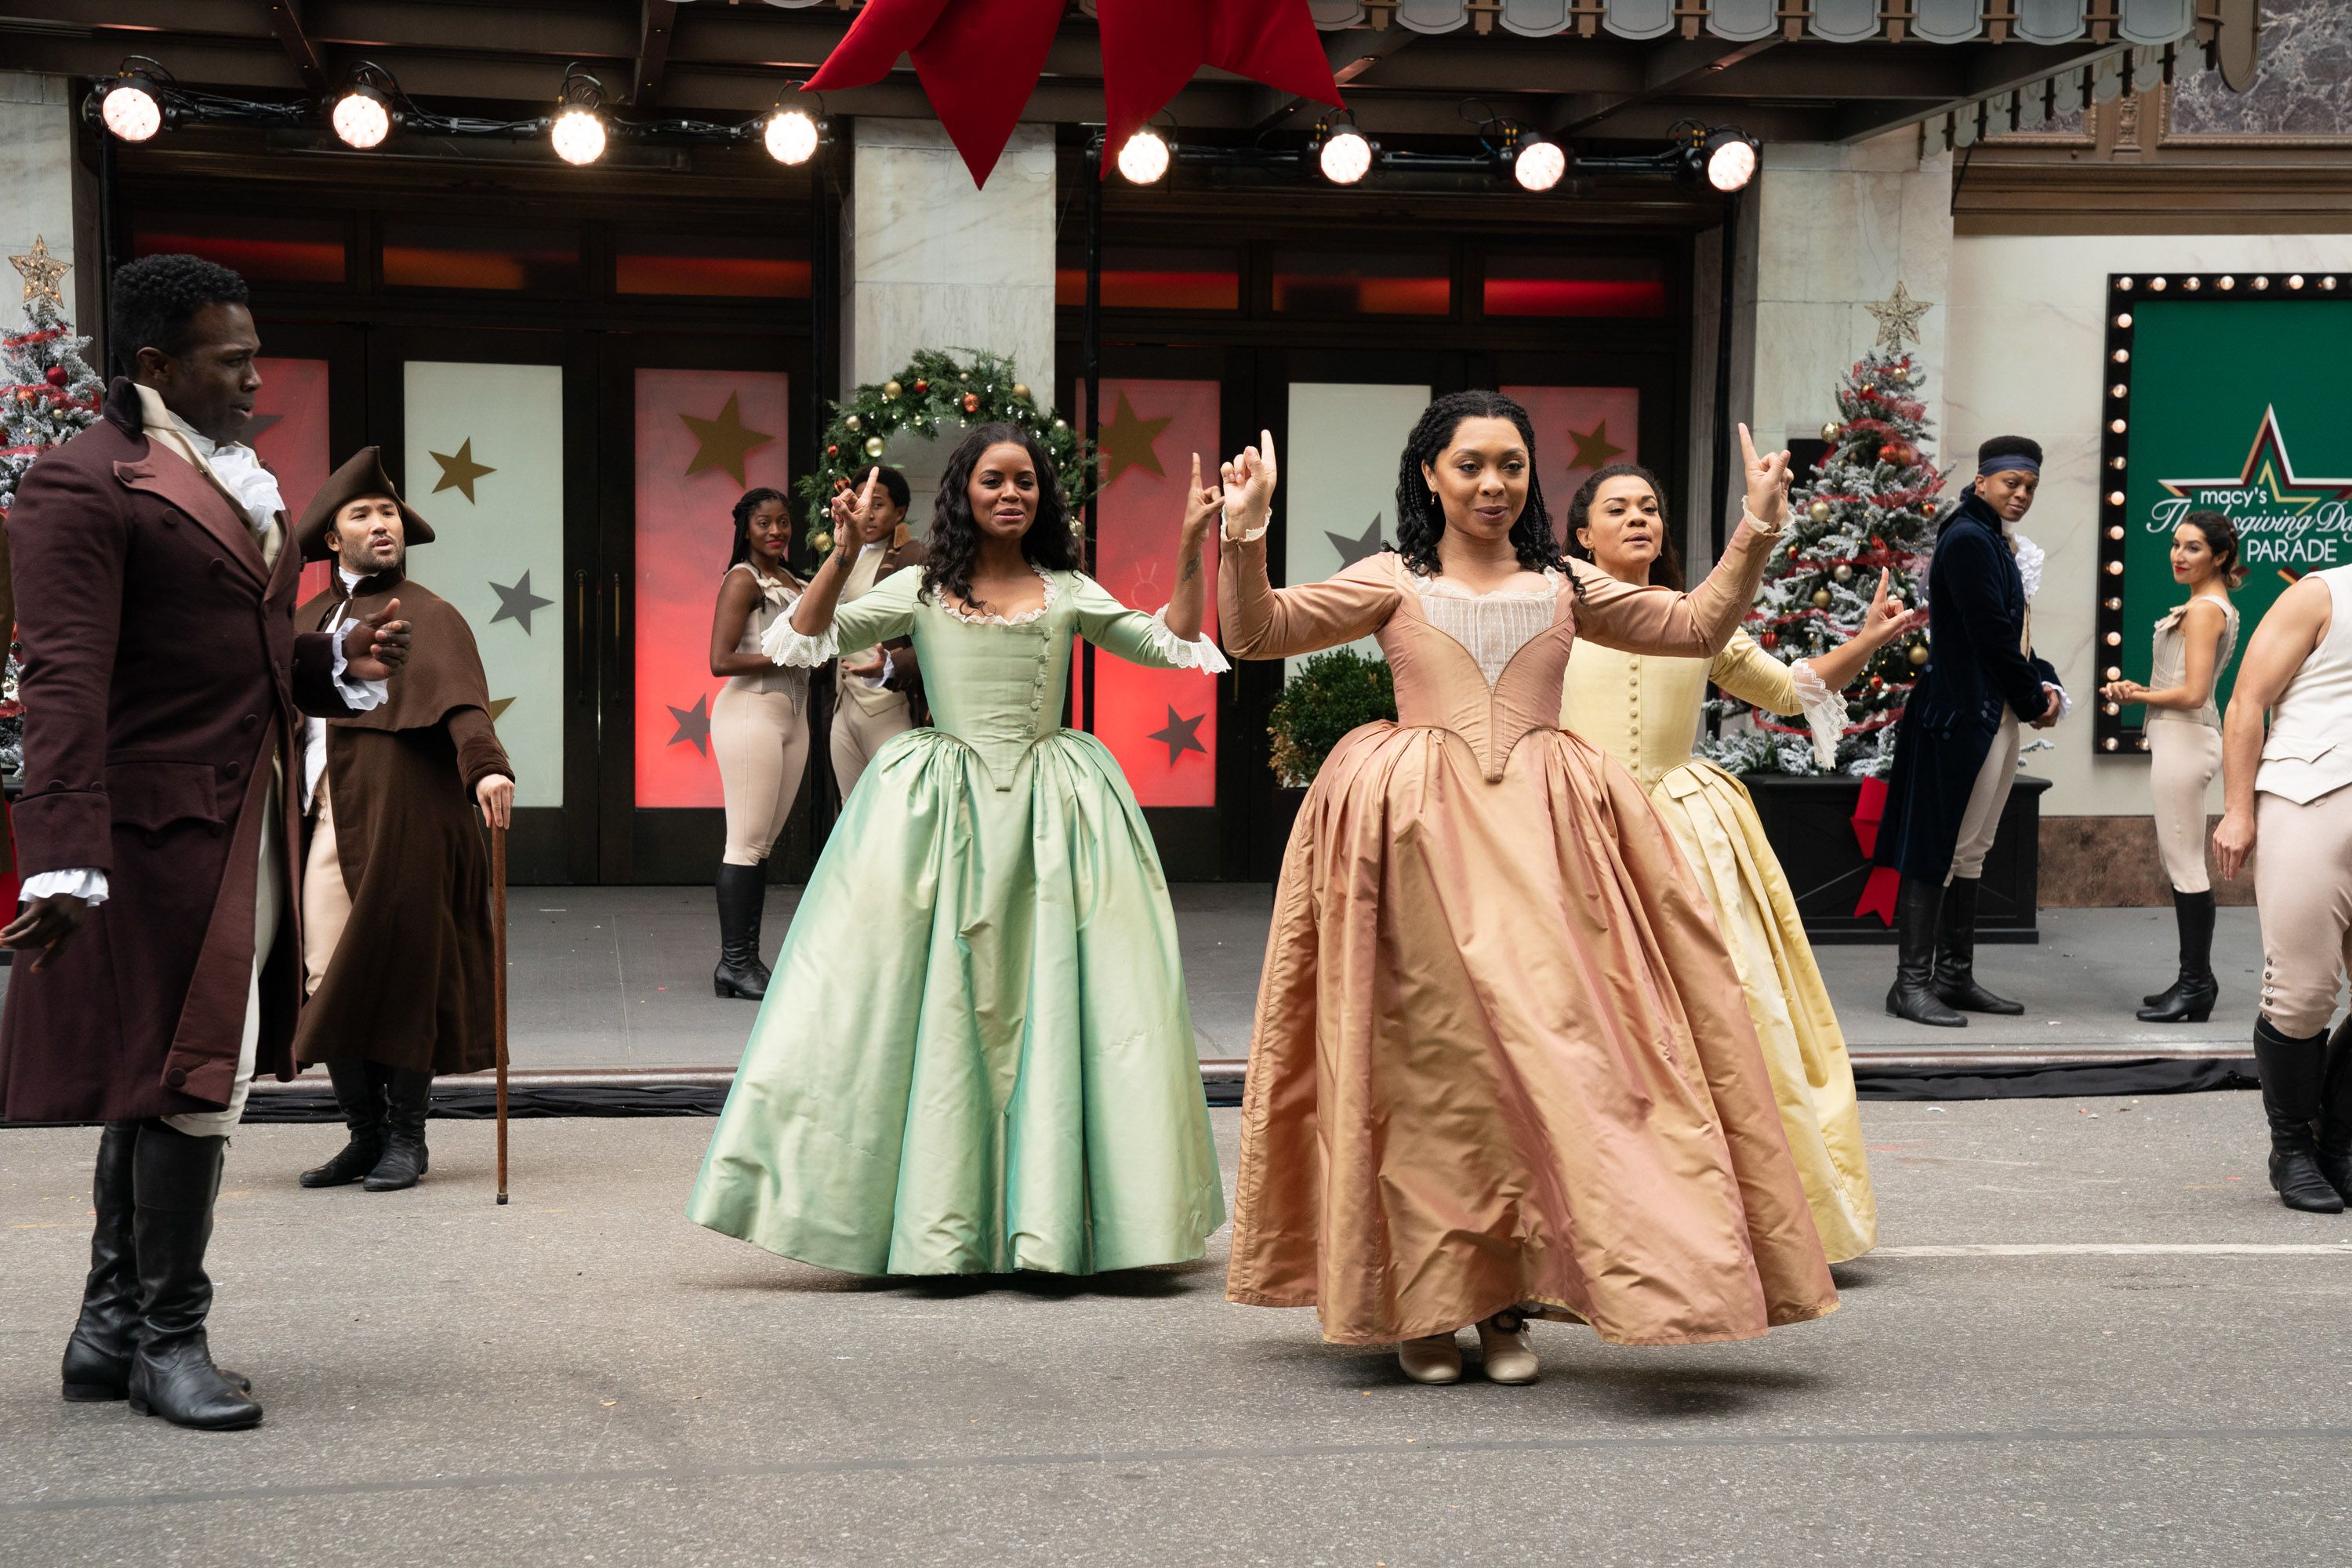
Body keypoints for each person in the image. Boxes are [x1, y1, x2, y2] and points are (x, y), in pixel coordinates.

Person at [1218, 394, 1837, 1388]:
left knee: (1553, 1064)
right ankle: (1429, 1304)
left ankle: (1511, 1302)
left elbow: (1692, 625)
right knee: (1431, 1076)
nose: (1493, 484)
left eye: (1511, 464)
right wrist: (1246, 537)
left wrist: (1758, 524)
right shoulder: (1391, 579)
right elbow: (1255, 634)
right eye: (1470, 465)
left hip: (1551, 855)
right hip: (1419, 851)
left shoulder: (1565, 581)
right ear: (1430, 474)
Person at [0, 255, 408, 1432]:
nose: (255, 374)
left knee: (164, 1081)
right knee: (191, 1079)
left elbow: (237, 657)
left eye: (252, 349)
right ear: (155, 367)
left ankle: (108, 1330)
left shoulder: (228, 476)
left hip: (244, 820)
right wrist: (62, 851)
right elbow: (62, 674)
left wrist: (332, 667)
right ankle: (170, 1340)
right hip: (159, 836)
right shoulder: (83, 485)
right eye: (232, 357)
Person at [686, 428, 1230, 1276]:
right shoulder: (920, 587)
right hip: (941, 809)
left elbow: (1170, 642)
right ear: (965, 494)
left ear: (1042, 496)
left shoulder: (1068, 588)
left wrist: (1196, 545)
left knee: (1052, 1004)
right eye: (991, 480)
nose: (1010, 493)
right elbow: (806, 635)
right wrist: (845, 551)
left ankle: (1048, 1219)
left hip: (1055, 813)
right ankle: (937, 1219)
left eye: (1025, 481)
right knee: (932, 1002)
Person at [1559, 460, 1922, 1265]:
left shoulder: (1699, 617)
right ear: (1582, 534)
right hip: (1577, 829)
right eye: (1616, 508)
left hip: (1687, 832)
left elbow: (1791, 692)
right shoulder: (1549, 611)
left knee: (1731, 1019)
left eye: (1650, 506)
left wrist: (1863, 641)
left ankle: (1748, 1214)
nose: (1638, 518)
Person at [291, 448, 516, 1193]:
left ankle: (406, 1140)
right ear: (332, 538)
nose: (381, 524)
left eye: (388, 512)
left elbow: (462, 704)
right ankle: (363, 1133)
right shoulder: (306, 620)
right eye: (363, 514)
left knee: (411, 969)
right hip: (323, 817)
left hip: (408, 816)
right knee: (327, 970)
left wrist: (485, 765)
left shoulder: (428, 613)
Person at [1874, 435, 2068, 1028]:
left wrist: (2046, 686)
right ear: (1982, 481)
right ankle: (1911, 985)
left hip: (1993, 715)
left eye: (2031, 485)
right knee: (1940, 846)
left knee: (1972, 849)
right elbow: (1988, 637)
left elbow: (2012, 638)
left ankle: (1953, 976)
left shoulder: (1993, 541)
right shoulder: (1967, 538)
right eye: (2012, 482)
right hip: (1959, 716)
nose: (2022, 493)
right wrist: (2035, 697)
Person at [2212, 564, 2352, 1214]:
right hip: (2310, 801)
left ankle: (2339, 1144)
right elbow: (2245, 702)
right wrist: (2239, 810)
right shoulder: (2319, 593)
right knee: (2302, 993)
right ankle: (2291, 1149)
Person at [2102, 510, 2243, 1024]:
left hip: (2186, 738)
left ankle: (2196, 985)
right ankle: (2193, 982)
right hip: (2178, 740)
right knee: (2179, 862)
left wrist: (2135, 692)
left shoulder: (2206, 610)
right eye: (2176, 545)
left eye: (2193, 548)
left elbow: (2193, 693)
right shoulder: (2203, 605)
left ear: (2220, 557)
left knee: (2185, 866)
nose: (2178, 556)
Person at [707, 487, 809, 1000]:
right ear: (745, 528)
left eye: (784, 522)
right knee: (744, 844)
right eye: (765, 522)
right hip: (750, 714)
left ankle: (749, 960)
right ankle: (736, 964)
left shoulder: (795, 580)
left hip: (794, 717)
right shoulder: (743, 579)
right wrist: (788, 654)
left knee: (761, 846)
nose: (776, 531)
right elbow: (720, 660)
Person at [828, 463, 930, 800]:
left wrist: (895, 666)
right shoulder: (842, 551)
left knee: (896, 807)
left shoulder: (914, 557)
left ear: (899, 512)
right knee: (850, 811)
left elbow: (932, 636)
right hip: (845, 701)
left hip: (890, 702)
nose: (867, 513)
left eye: (878, 504)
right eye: (861, 501)